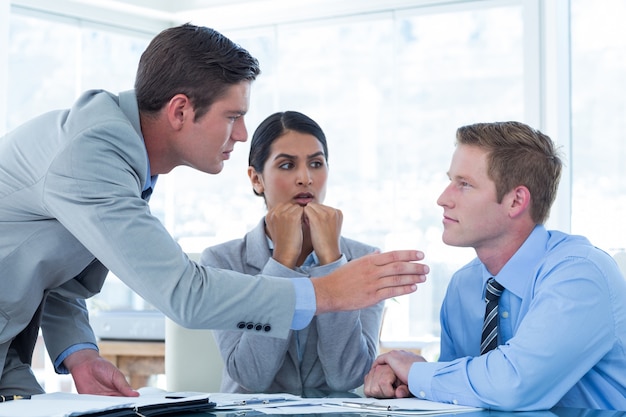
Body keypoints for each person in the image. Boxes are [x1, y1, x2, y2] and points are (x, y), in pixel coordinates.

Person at [0, 24, 429, 396]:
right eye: (232, 116)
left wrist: (79, 353)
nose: (242, 134)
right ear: (181, 110)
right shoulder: (94, 154)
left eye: (317, 163)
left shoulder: (120, 154)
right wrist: (328, 292)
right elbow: (186, 294)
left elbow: (60, 280)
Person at [363, 121, 626, 411]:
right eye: (451, 180)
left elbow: (513, 384)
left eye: (464, 184)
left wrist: (414, 372)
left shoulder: (580, 275)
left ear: (516, 201)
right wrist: (405, 382)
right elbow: (464, 391)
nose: (442, 199)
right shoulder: (464, 285)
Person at [201, 111, 384, 394]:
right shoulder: (222, 262)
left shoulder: (365, 259)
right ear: (256, 179)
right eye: (287, 165)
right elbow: (251, 375)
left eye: (316, 163)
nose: (305, 178)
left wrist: (332, 262)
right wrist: (282, 262)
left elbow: (347, 377)